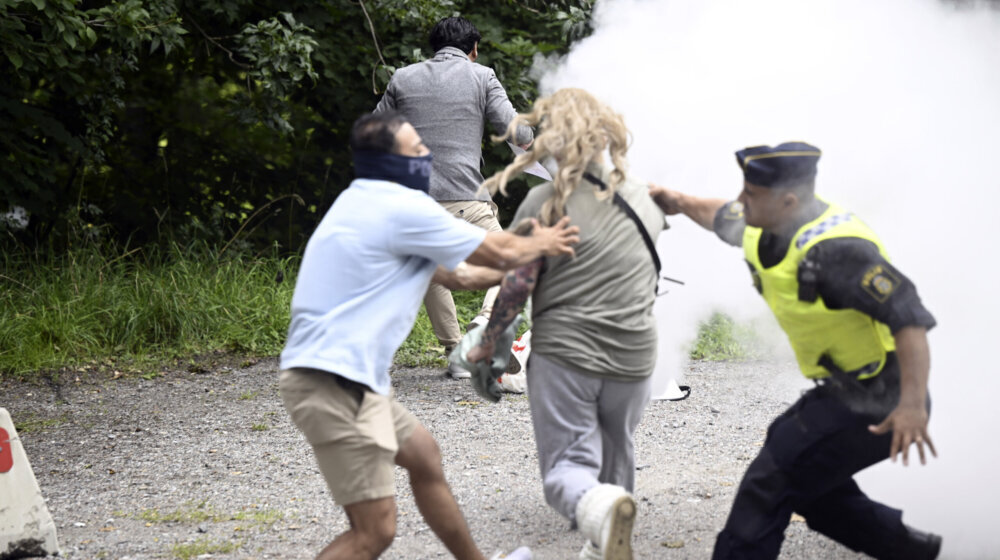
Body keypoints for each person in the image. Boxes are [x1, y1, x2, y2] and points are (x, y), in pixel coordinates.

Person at [278, 110, 579, 560]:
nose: (427, 155)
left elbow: (460, 275)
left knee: (423, 455)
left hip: (345, 379)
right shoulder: (399, 206)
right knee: (373, 532)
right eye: (416, 150)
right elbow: (494, 247)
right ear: (389, 162)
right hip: (333, 382)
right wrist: (545, 243)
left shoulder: (363, 203)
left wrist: (522, 265)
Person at [649, 142, 941, 560]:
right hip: (846, 390)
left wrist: (912, 407)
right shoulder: (763, 222)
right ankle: (914, 550)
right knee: (811, 483)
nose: (741, 201)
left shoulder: (837, 250)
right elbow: (718, 215)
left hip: (883, 398)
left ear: (788, 201)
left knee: (771, 478)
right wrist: (674, 200)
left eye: (750, 195)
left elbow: (910, 318)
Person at [455, 88, 666, 560]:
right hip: (635, 356)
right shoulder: (644, 200)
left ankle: (601, 512)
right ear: (605, 137)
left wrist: (490, 346)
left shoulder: (543, 206)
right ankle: (604, 539)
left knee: (566, 468)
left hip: (567, 355)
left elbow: (513, 289)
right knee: (618, 448)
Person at [374, 16, 534, 378]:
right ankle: (484, 323)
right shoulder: (481, 76)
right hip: (466, 201)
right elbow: (518, 132)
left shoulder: (403, 78)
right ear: (473, 50)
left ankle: (454, 351)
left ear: (435, 47)